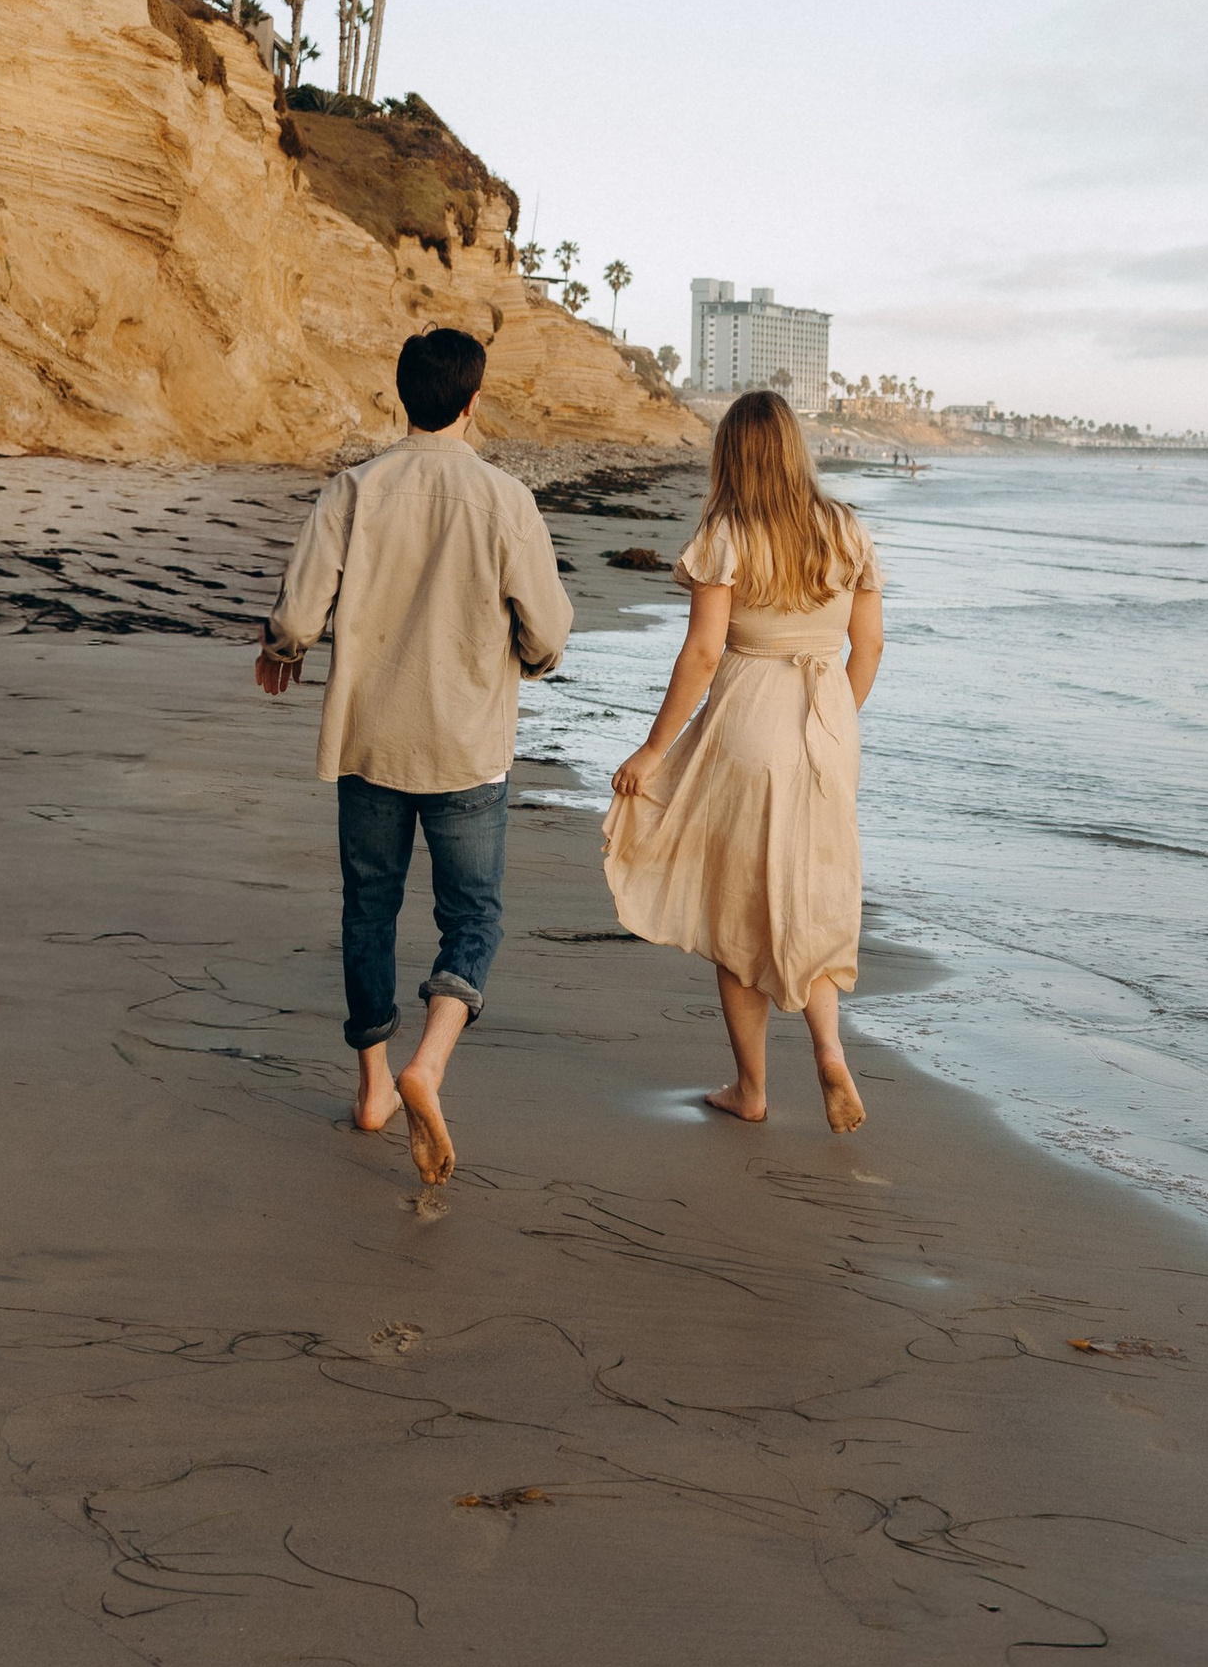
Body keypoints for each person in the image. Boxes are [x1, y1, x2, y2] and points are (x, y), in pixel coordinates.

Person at [256, 325, 571, 1184]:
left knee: (370, 908)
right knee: (472, 918)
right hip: (467, 743)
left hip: (370, 736)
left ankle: (372, 1088)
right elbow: (547, 631)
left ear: (404, 398)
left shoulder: (354, 489)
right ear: (473, 401)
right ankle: (427, 1064)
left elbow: (299, 613)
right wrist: (524, 661)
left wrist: (281, 650)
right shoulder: (506, 499)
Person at [602, 388, 883, 1134]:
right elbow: (869, 647)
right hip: (829, 725)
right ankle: (828, 1050)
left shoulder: (727, 533)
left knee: (736, 906)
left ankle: (751, 1089)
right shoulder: (846, 528)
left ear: (731, 455)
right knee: (813, 888)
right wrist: (837, 722)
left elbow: (703, 653)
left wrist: (654, 749)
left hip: (750, 718)